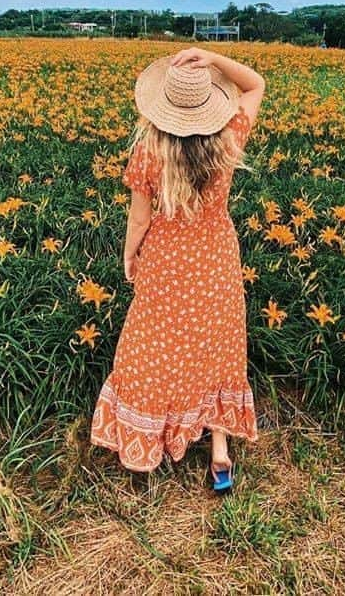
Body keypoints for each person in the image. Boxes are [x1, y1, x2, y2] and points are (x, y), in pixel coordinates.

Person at [89, 46, 265, 491]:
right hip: (216, 254)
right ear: (210, 104)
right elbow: (256, 84)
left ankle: (147, 441)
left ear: (161, 108)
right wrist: (212, 57)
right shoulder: (230, 136)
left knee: (151, 347)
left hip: (166, 260)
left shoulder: (149, 153)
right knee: (218, 344)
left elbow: (139, 219)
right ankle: (219, 449)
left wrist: (130, 254)